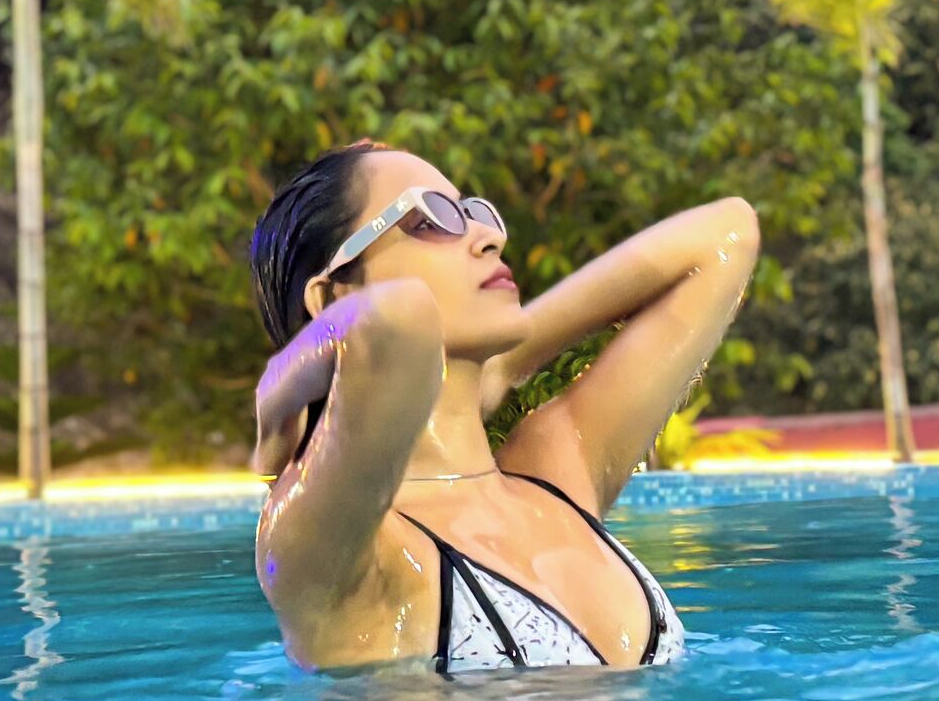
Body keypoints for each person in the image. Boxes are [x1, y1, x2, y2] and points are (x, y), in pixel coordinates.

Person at [245, 142, 759, 673]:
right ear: (331, 299)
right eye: (428, 220)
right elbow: (400, 319)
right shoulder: (335, 550)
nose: (490, 237)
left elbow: (726, 233)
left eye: (470, 212)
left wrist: (506, 366)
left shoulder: (558, 473)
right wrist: (280, 390)